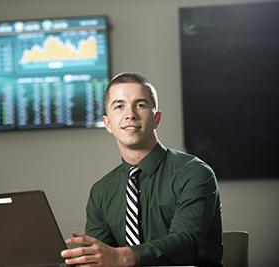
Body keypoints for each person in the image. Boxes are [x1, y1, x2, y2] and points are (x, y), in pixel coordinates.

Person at [61, 72, 224, 267]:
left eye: (140, 105)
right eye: (119, 106)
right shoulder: (101, 192)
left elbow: (185, 244)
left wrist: (123, 257)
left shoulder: (195, 174)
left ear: (156, 119)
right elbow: (101, 259)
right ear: (107, 123)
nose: (130, 114)